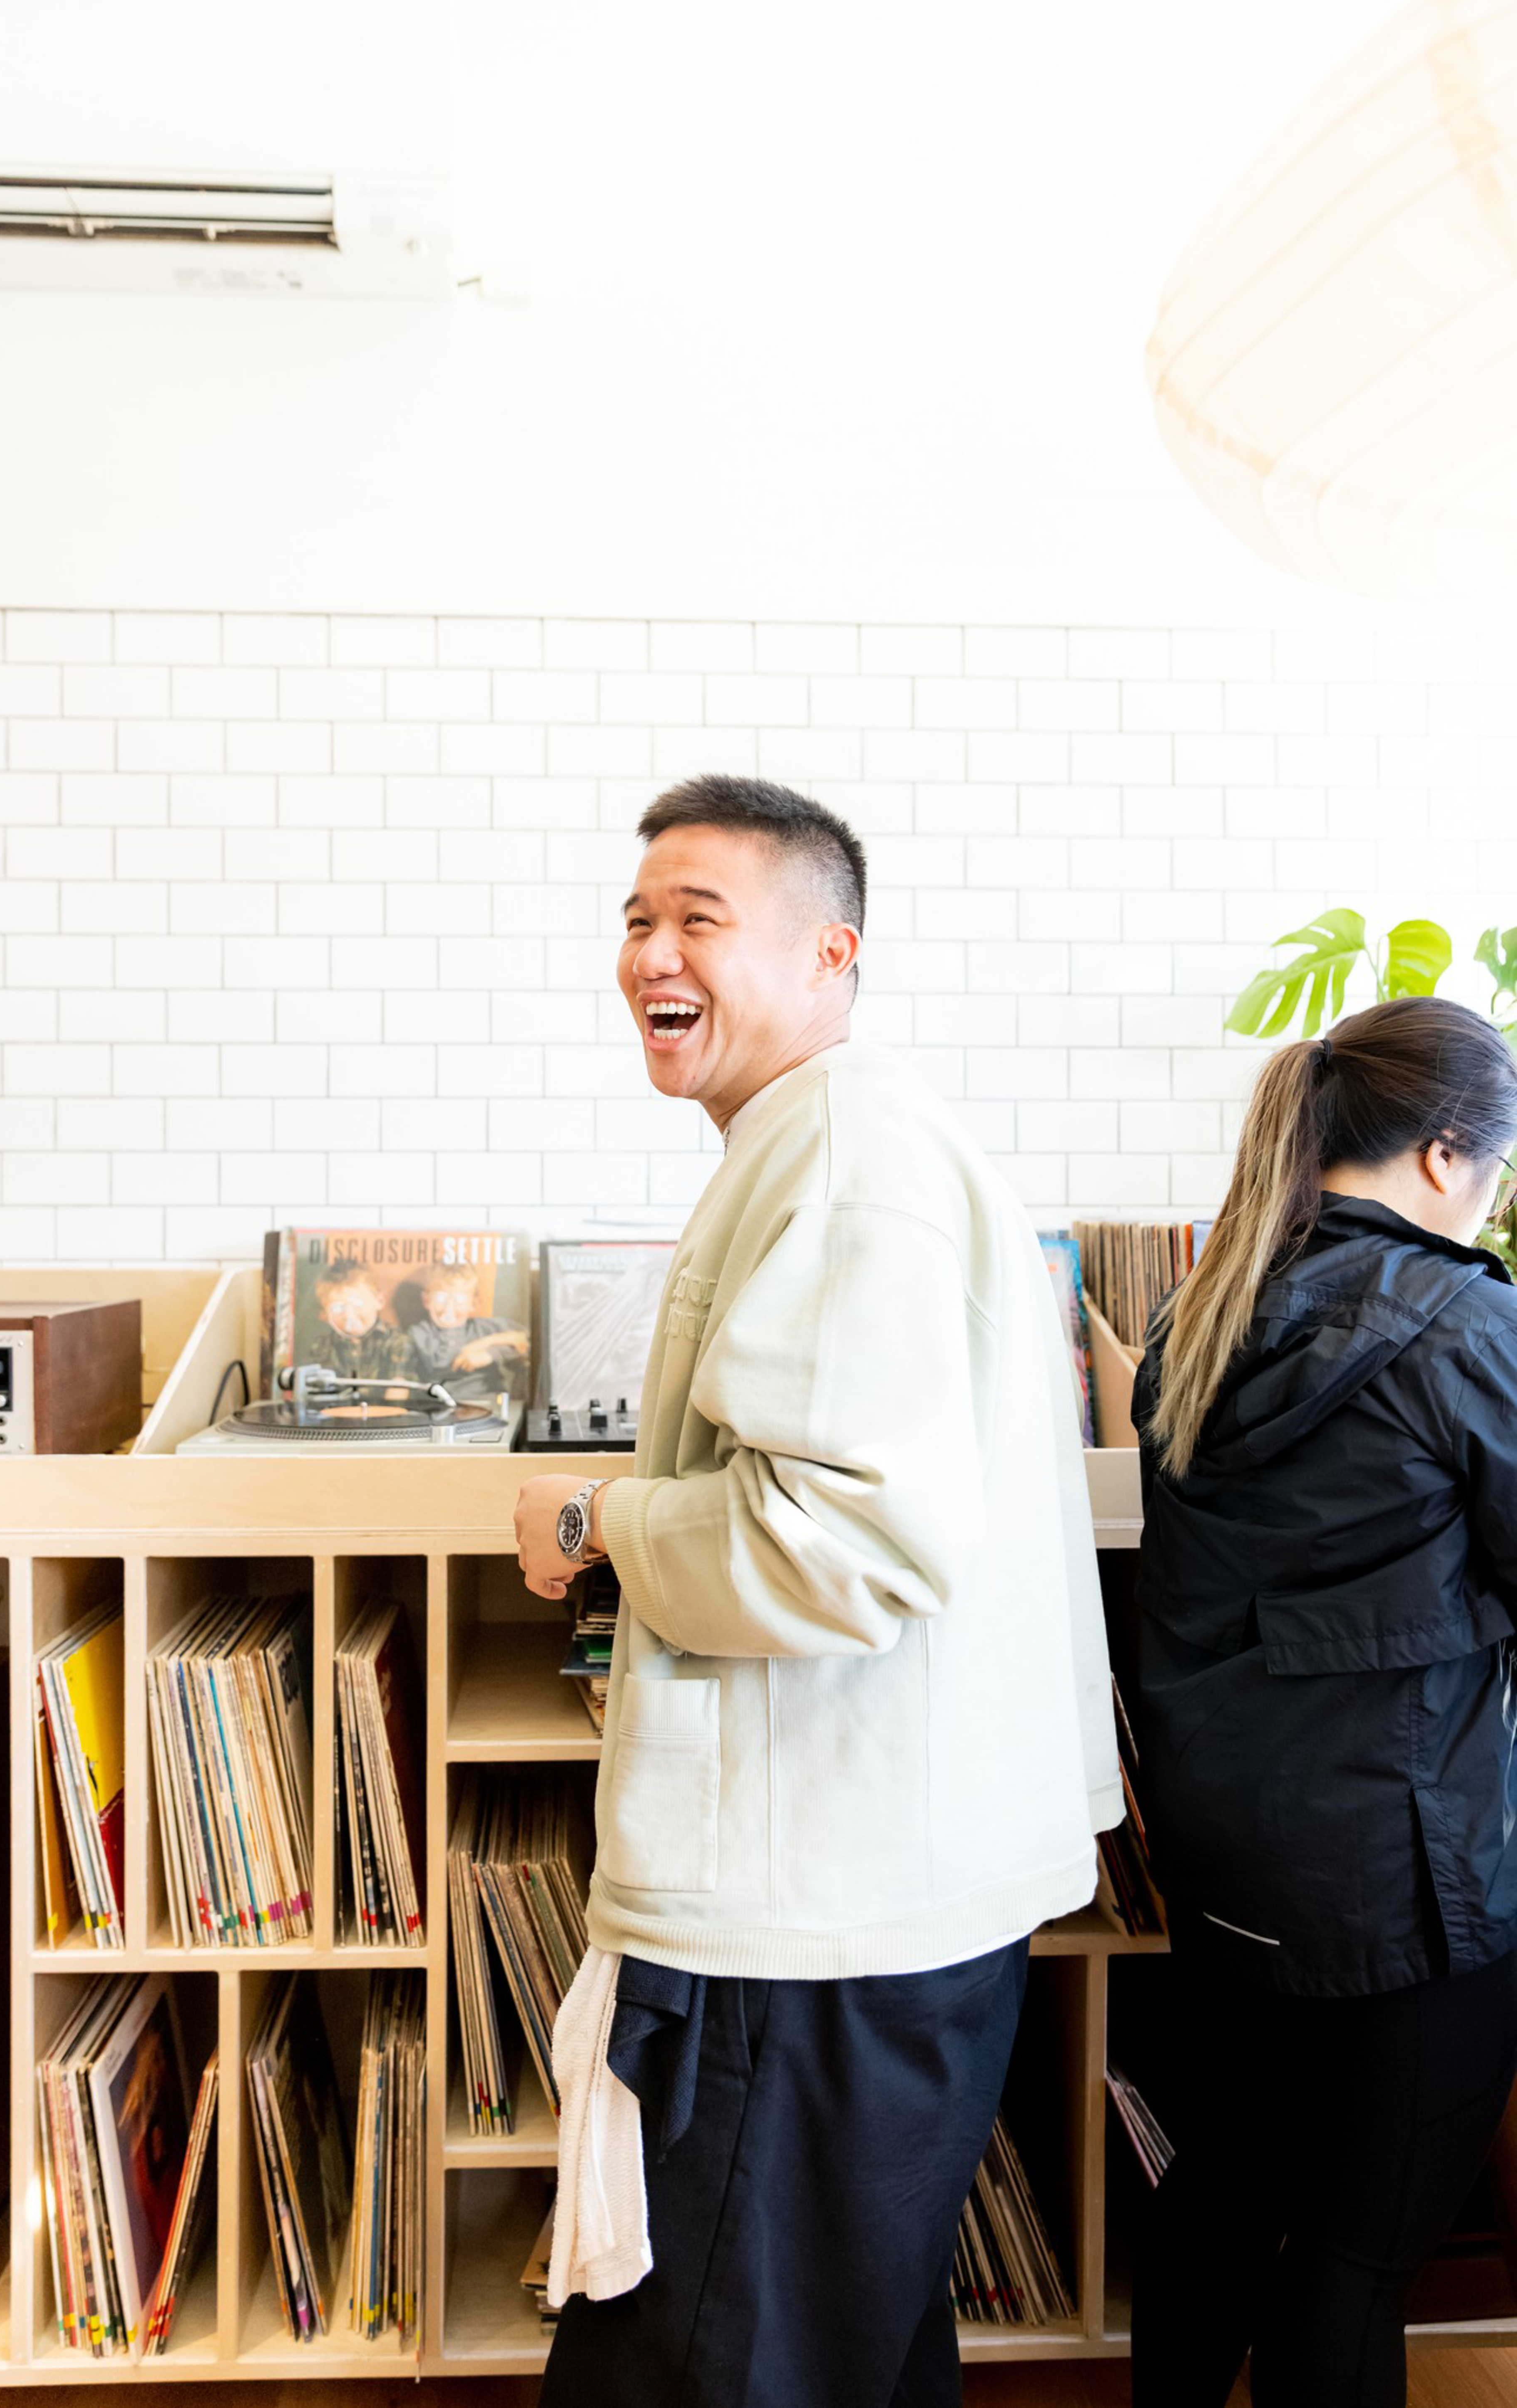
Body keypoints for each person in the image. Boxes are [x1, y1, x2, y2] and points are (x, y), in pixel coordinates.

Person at [513, 773, 1119, 2408]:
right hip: (863, 1895)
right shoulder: (830, 1144)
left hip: (800, 1924)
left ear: (829, 952)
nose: (650, 948)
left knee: (716, 2361)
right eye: (635, 917)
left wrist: (599, 1515)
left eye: (698, 916)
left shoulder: (842, 1164)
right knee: (840, 2345)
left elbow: (833, 1541)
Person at [1128, 995, 1517, 2408]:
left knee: (1221, 2195)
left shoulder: (1200, 1304)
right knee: (1354, 2261)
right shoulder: (1467, 1326)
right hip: (1397, 1890)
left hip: (1224, 1853)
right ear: (1442, 1154)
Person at [401, 1258, 530, 1400]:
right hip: (436, 1408)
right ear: (427, 1300)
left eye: (460, 1300)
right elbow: (400, 1376)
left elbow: (529, 1342)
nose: (449, 1307)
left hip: (486, 1408)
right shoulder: (418, 1334)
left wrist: (488, 1349)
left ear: (473, 1304)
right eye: (441, 1298)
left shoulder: (485, 1329)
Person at [301, 1258, 410, 1383]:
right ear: (325, 1315)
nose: (349, 1315)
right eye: (337, 1308)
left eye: (358, 1303)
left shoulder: (397, 1342)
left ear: (379, 1301)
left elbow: (398, 1391)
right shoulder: (322, 1348)